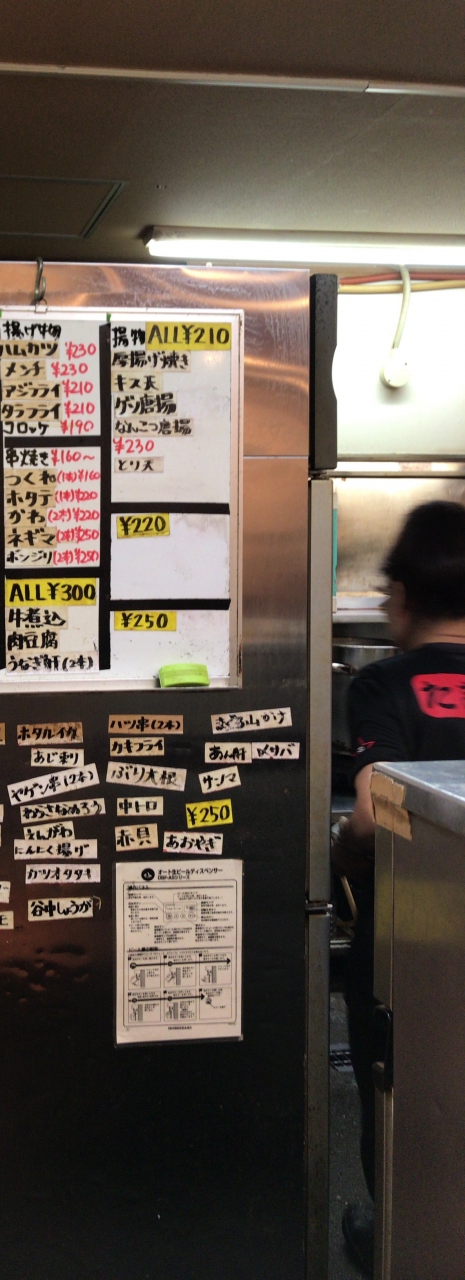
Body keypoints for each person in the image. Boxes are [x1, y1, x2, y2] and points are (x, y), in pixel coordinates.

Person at [333, 500, 465, 1276]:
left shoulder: (384, 683)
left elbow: (373, 810)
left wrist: (343, 859)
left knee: (397, 1090)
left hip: (407, 938)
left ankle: (394, 1239)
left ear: (404, 597)